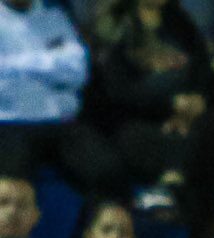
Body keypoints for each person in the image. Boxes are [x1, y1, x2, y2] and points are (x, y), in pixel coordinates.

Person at [84, 0, 214, 238]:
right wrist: (168, 106)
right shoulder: (111, 26)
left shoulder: (179, 21)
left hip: (186, 116)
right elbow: (115, 91)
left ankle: (199, 221)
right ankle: (175, 196)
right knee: (167, 142)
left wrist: (196, 100)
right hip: (133, 120)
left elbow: (203, 71)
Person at [0, 0, 124, 199]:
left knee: (108, 171)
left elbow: (78, 71)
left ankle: (94, 229)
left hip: (62, 123)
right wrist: (53, 65)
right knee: (11, 187)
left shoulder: (54, 16)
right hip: (10, 124)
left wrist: (16, 64)